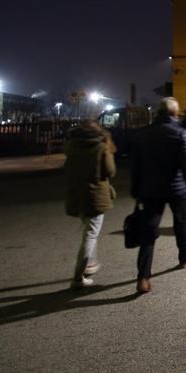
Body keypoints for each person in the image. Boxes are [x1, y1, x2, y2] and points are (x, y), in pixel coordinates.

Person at [130, 97, 186, 294]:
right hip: (176, 188)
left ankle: (143, 277)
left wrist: (136, 191)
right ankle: (185, 256)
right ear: (174, 113)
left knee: (148, 232)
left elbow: (135, 166)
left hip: (150, 190)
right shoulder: (180, 133)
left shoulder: (142, 135)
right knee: (181, 223)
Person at [64, 120, 116, 289]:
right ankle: (78, 278)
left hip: (76, 194)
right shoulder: (100, 148)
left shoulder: (71, 148)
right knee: (90, 235)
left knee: (88, 231)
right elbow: (110, 171)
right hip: (94, 196)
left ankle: (90, 263)